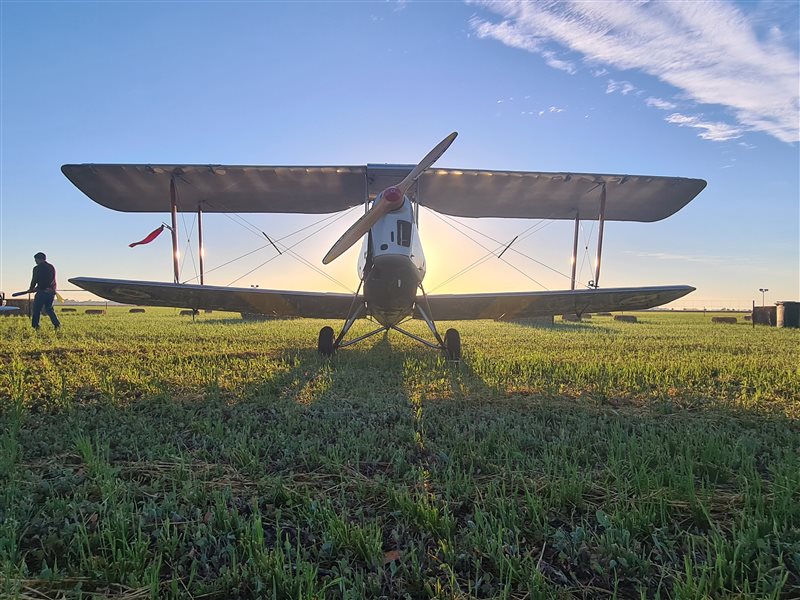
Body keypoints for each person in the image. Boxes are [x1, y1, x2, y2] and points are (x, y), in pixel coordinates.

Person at [26, 252, 61, 330]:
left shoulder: (37, 268)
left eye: (35, 259)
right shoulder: (51, 267)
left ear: (39, 259)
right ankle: (57, 324)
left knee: (36, 309)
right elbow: (52, 279)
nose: (35, 261)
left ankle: (35, 326)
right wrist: (51, 289)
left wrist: (31, 289)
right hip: (51, 292)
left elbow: (34, 280)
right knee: (49, 309)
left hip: (42, 291)